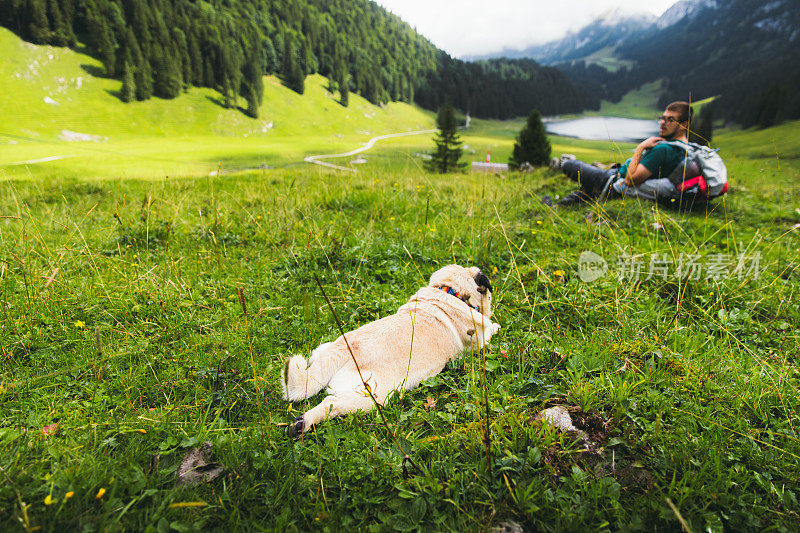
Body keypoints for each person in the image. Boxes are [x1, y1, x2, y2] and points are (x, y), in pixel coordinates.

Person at [554, 101, 694, 206]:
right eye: (662, 118)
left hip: (613, 181)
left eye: (670, 120)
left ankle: (556, 206)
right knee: (587, 188)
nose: (663, 123)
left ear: (684, 125)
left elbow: (630, 180)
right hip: (615, 177)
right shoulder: (688, 149)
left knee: (569, 164)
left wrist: (641, 147)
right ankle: (558, 207)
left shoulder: (663, 149)